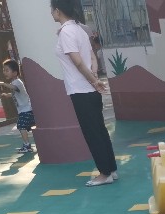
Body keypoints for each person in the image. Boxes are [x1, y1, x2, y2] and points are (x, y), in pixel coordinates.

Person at [50, 0, 117, 186]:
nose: (51, 14)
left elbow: (78, 62)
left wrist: (94, 81)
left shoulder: (66, 32)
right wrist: (94, 77)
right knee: (100, 131)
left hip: (81, 91)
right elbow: (92, 58)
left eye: (52, 10)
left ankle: (104, 174)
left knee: (92, 133)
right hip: (90, 90)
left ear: (57, 10)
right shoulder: (79, 30)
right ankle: (111, 169)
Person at [0, 58, 34, 154]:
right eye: (4, 70)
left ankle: (27, 145)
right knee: (25, 126)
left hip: (26, 109)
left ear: (14, 73)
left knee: (21, 126)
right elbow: (16, 93)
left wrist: (3, 84)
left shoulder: (17, 82)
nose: (5, 72)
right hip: (24, 110)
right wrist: (7, 95)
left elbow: (14, 88)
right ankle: (27, 144)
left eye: (7, 70)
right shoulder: (14, 82)